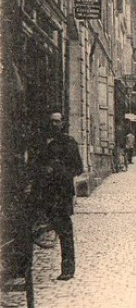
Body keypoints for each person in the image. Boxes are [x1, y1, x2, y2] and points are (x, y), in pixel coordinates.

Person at [31, 112, 84, 281]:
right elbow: (36, 165)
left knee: (64, 230)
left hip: (62, 193)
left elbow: (78, 168)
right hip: (46, 193)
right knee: (44, 227)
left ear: (63, 123)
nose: (54, 124)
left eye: (57, 121)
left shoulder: (69, 143)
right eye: (51, 121)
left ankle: (68, 269)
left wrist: (58, 172)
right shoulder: (44, 143)